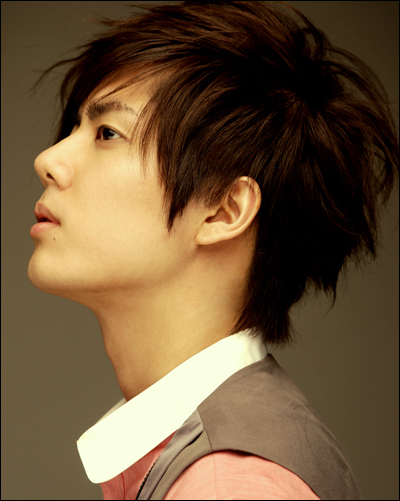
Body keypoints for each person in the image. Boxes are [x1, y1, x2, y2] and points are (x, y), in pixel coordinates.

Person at [28, 1, 398, 499]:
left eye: (108, 133)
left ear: (224, 210)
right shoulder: (215, 456)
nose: (48, 159)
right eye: (75, 128)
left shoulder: (229, 485)